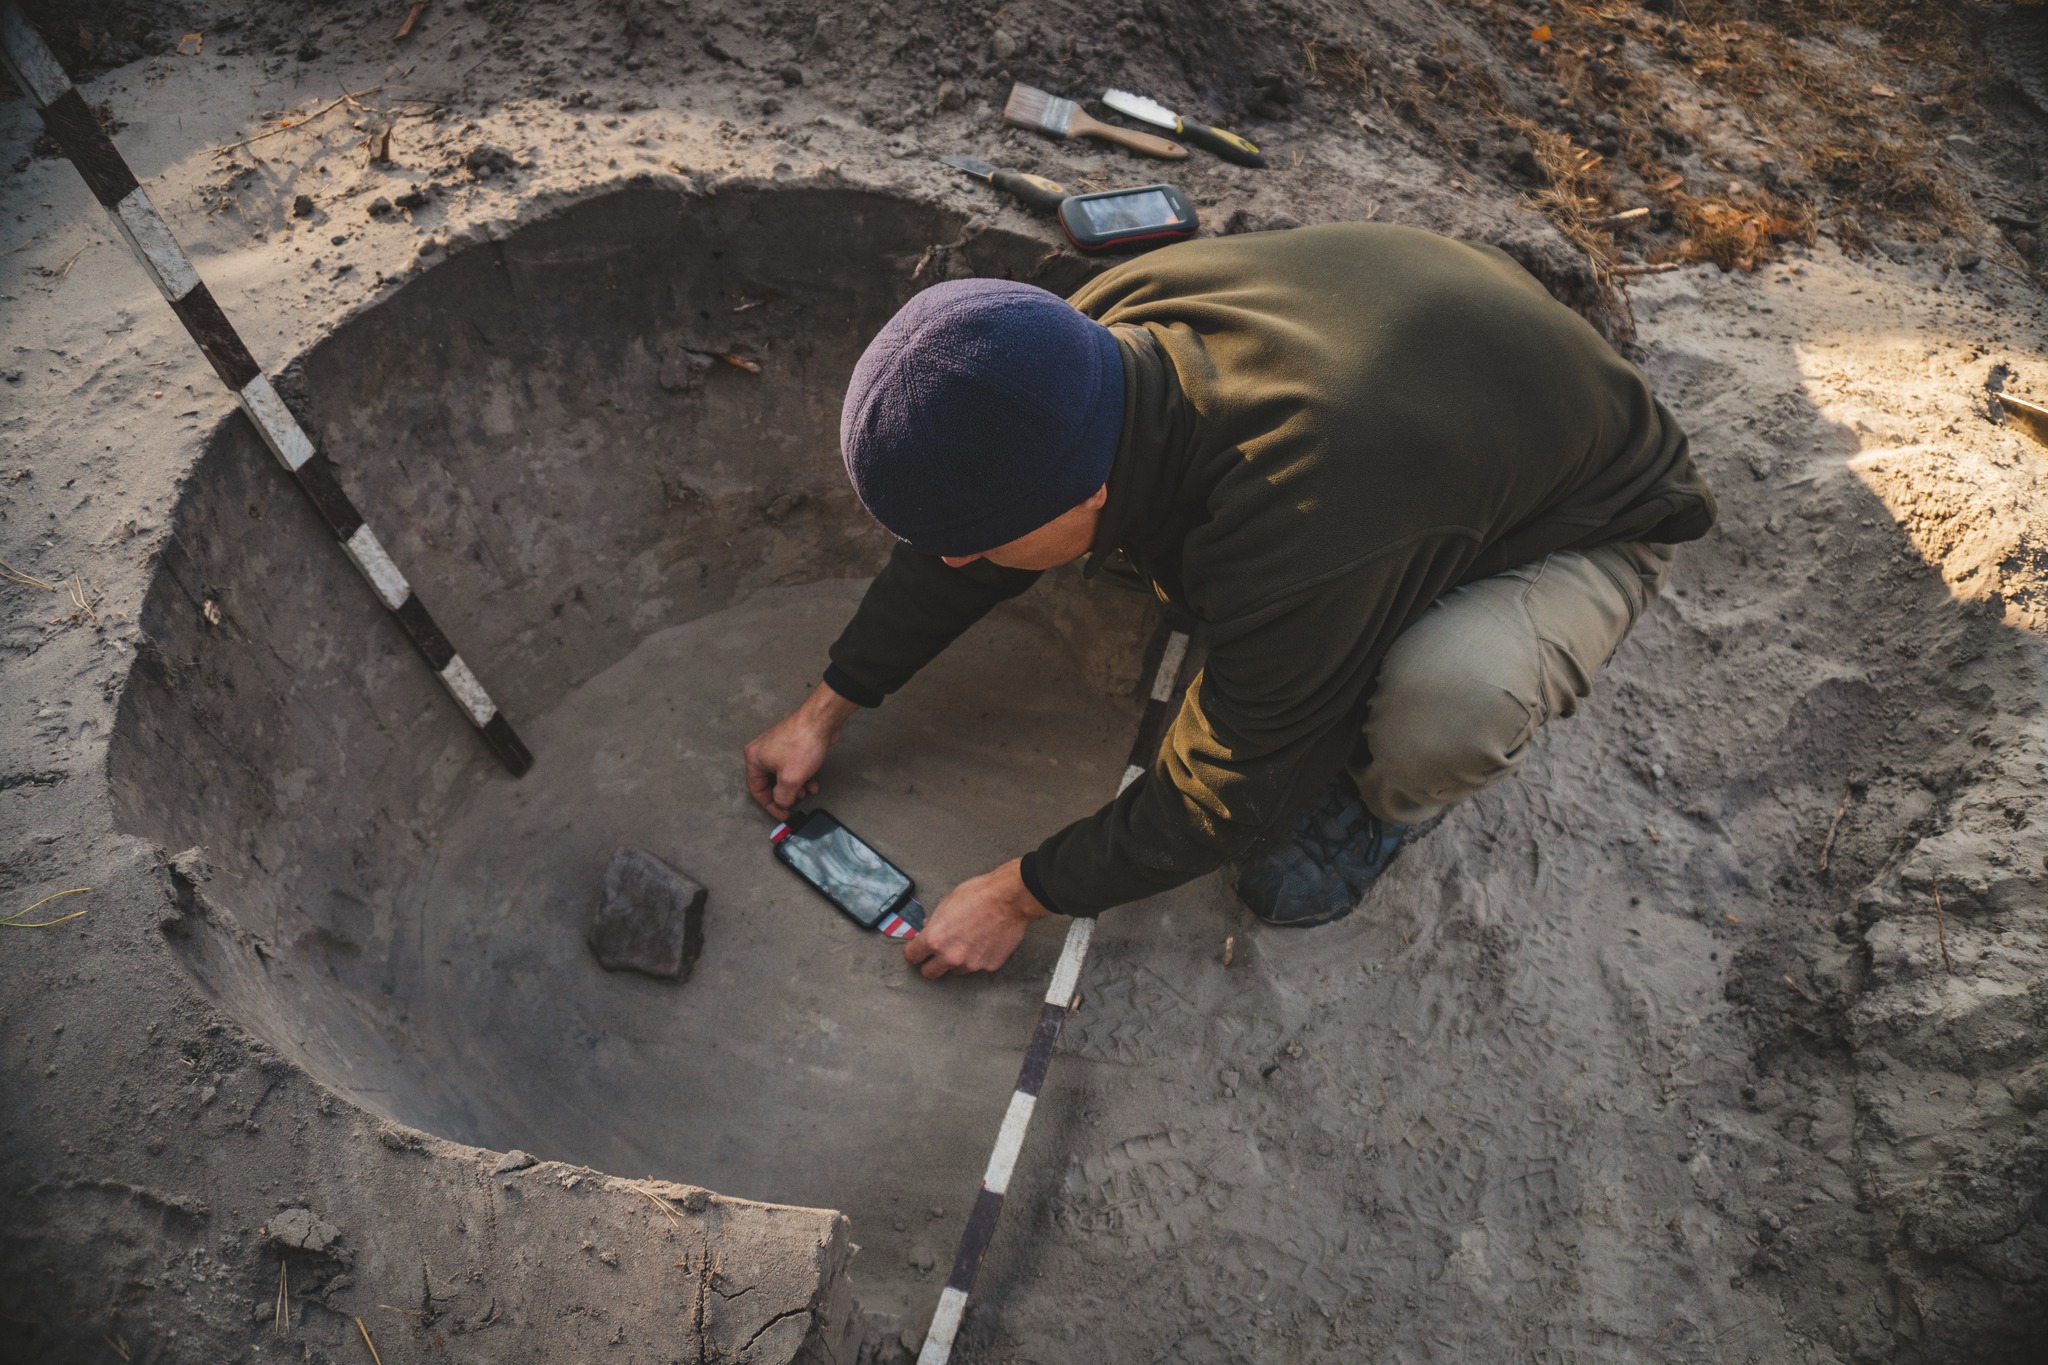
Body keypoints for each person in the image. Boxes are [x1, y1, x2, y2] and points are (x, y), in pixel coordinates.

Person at [743, 223, 1715, 979]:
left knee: (1448, 702)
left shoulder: (1299, 514)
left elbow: (1225, 794)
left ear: (1085, 491)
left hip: (1586, 514)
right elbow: (965, 530)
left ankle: (1377, 809)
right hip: (1444, 368)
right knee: (1237, 596)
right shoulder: (1069, 342)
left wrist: (1017, 895)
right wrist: (831, 701)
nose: (958, 562)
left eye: (980, 545)